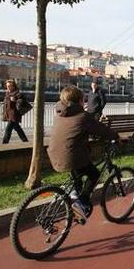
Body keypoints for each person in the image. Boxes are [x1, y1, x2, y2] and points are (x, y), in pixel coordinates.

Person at [47, 85, 119, 222]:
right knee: (94, 174)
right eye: (84, 99)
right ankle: (82, 203)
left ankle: (73, 196)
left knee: (78, 173)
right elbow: (101, 129)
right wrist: (116, 136)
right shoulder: (83, 117)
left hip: (54, 154)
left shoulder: (59, 114)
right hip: (71, 156)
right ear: (80, 100)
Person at [1, 79, 28, 144]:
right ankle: (25, 140)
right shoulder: (7, 93)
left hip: (14, 114)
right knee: (17, 128)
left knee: (8, 129)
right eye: (7, 86)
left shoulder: (17, 93)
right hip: (9, 113)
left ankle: (5, 143)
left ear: (14, 86)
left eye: (10, 86)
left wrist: (15, 100)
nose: (8, 88)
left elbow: (22, 101)